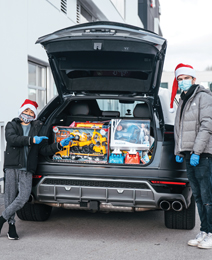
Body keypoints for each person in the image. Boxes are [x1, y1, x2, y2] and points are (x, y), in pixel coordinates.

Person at [0, 99, 71, 240]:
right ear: (21, 111)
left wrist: (59, 145)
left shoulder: (38, 128)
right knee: (9, 198)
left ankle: (1, 219)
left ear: (35, 115)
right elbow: (12, 139)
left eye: (31, 112)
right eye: (26, 111)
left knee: (23, 197)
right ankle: (11, 228)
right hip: (12, 166)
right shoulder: (11, 125)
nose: (28, 114)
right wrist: (31, 140)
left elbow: (43, 150)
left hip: (27, 168)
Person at [171, 63, 212, 249]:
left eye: (186, 78)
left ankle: (211, 233)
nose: (182, 82)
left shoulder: (203, 97)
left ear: (194, 79)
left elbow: (207, 126)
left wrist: (196, 151)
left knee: (207, 195)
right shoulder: (183, 99)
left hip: (202, 155)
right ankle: (204, 230)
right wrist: (179, 151)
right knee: (197, 195)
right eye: (180, 79)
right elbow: (179, 129)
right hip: (189, 154)